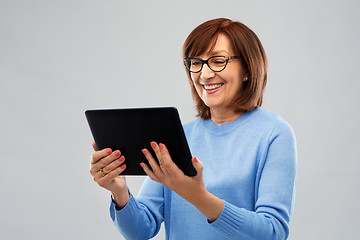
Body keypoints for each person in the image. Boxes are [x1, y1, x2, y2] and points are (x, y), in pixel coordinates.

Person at [90, 18, 297, 240]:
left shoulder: (274, 133)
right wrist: (119, 191)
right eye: (196, 63)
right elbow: (141, 229)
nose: (205, 75)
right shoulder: (178, 136)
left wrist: (198, 197)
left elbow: (273, 232)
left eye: (218, 61)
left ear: (248, 69)